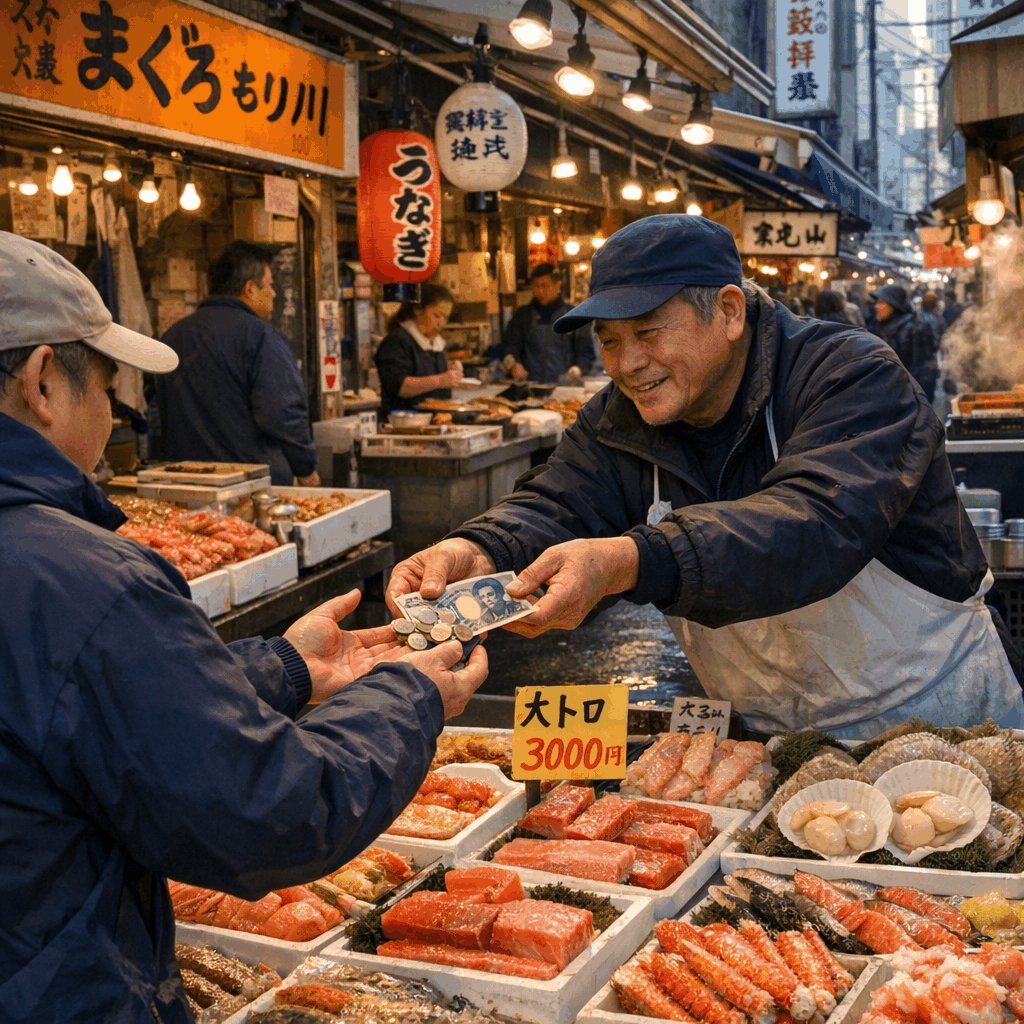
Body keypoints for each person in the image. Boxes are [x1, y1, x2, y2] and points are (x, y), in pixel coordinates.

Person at [0, 232, 487, 1022]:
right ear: (44, 380)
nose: (116, 409)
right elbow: (267, 815)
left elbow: (65, 708)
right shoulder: (86, 579)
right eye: (111, 384)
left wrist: (284, 671)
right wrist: (409, 693)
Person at [387, 214, 1023, 741]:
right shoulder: (619, 416)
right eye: (608, 341)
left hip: (946, 723)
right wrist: (481, 547)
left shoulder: (851, 375)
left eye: (648, 332)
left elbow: (814, 522)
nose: (628, 363)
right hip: (776, 737)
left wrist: (633, 559)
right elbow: (559, 500)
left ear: (727, 311)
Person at [156, 241, 320, 486]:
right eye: (270, 285)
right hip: (250, 487)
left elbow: (158, 415)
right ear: (250, 289)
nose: (274, 293)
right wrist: (306, 469)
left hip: (184, 484)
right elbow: (282, 413)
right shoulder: (262, 336)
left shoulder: (172, 336)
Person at [374, 283, 462, 418]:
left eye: (445, 317)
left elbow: (423, 370)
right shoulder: (397, 341)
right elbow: (399, 385)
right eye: (437, 316)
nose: (441, 322)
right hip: (405, 425)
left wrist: (450, 369)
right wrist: (441, 380)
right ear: (418, 309)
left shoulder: (436, 343)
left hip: (437, 422)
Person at [502, 263, 596, 383]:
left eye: (544, 286)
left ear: (558, 285)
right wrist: (514, 364)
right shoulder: (522, 316)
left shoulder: (574, 316)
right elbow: (510, 345)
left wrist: (577, 368)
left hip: (565, 389)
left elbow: (587, 354)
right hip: (529, 388)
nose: (539, 291)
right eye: (535, 286)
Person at [872, 284, 940, 403]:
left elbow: (919, 369)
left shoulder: (912, 329)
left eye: (882, 302)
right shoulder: (883, 328)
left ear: (894, 305)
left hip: (907, 399)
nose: (877, 306)